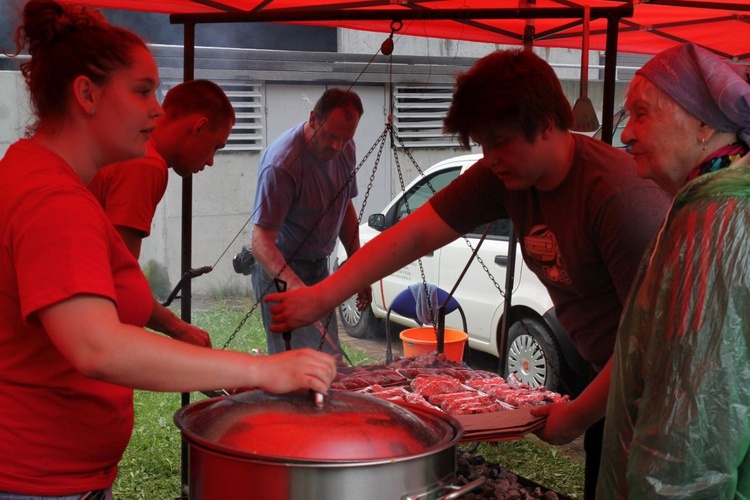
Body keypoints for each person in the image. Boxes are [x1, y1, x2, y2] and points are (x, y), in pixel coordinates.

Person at [264, 48, 671, 498]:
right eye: (482, 142)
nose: (489, 156)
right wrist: (322, 297)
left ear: (548, 123)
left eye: (499, 140)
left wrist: (574, 417)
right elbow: (414, 235)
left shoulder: (620, 200)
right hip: (612, 382)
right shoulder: (504, 176)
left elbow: (653, 345)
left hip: (667, 401)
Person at [0, 1, 336, 498]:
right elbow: (97, 345)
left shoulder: (42, 174)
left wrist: (178, 331)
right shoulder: (53, 198)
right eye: (142, 91)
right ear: (86, 94)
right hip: (37, 481)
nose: (158, 109)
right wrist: (261, 369)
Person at [596, 43, 750, 498]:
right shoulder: (715, 200)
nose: (626, 135)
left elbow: (692, 424)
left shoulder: (717, 218)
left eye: (641, 113)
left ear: (704, 124)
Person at [88, 79, 235, 348]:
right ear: (199, 126)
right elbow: (120, 278)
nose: (211, 161)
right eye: (216, 146)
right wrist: (178, 329)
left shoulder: (124, 142)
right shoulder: (145, 162)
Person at [250, 88, 372, 355]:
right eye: (330, 136)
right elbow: (261, 243)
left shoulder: (344, 148)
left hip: (318, 266)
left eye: (345, 138)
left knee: (328, 354)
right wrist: (299, 290)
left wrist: (359, 268)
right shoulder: (282, 164)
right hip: (281, 270)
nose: (337, 147)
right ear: (314, 118)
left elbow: (344, 206)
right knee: (295, 362)